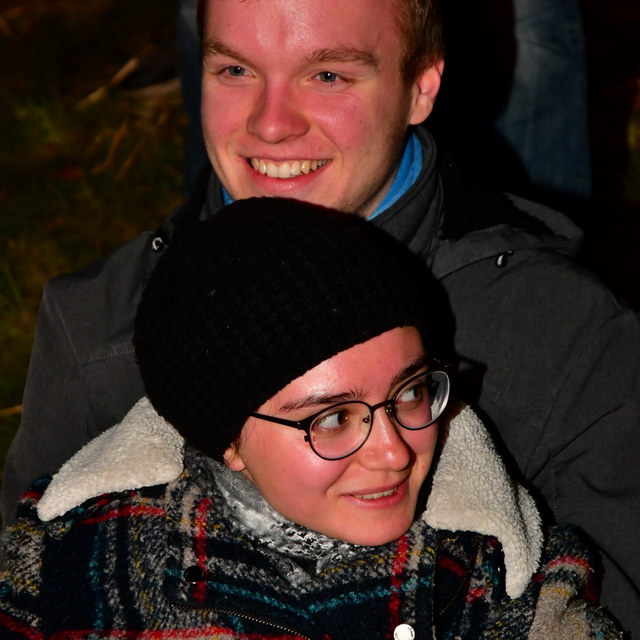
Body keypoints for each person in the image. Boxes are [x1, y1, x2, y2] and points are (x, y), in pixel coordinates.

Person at [2, 0, 639, 635]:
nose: (271, 124)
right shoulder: (96, 327)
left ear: (421, 85)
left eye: (328, 75)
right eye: (236, 71)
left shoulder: (566, 338)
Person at [0, 199, 621, 638]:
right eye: (331, 419)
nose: (394, 452)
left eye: (409, 392)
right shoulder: (76, 568)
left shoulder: (508, 581)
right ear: (226, 440)